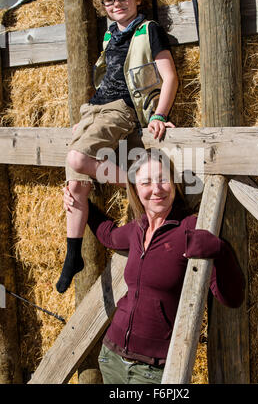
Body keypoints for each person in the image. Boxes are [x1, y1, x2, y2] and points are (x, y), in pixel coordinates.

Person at [63, 148, 246, 384]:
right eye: (146, 182)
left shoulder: (188, 230)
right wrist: (80, 202)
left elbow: (232, 298)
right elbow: (108, 236)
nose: (156, 189)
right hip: (111, 357)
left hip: (152, 370)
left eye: (162, 180)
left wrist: (221, 251)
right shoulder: (136, 229)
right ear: (136, 190)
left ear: (174, 183)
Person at [56, 0, 178, 293]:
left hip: (122, 110)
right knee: (75, 183)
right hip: (95, 109)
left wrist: (160, 114)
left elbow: (170, 77)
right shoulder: (111, 36)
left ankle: (131, 179)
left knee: (77, 158)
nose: (117, 3)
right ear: (104, 6)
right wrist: (86, 120)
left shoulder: (147, 30)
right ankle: (73, 253)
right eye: (110, 0)